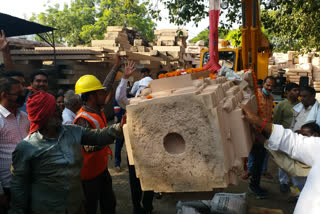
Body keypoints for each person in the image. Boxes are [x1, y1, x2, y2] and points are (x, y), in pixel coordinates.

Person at [9, 91, 124, 214]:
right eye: (55, 108)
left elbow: (98, 136)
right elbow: (19, 186)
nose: (61, 109)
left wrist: (120, 126)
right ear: (45, 115)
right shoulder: (27, 147)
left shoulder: (72, 131)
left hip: (76, 205)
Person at [241, 104, 320, 214]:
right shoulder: (308, 152)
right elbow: (290, 144)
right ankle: (297, 197)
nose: (302, 138)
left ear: (316, 136)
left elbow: (290, 153)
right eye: (300, 134)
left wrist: (259, 124)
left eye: (305, 136)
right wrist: (258, 128)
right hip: (302, 192)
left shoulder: (312, 155)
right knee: (297, 191)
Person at [73, 55, 127, 214]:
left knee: (109, 205)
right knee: (90, 208)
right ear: (91, 97)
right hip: (89, 177)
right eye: (101, 94)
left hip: (101, 169)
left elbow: (106, 86)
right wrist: (114, 133)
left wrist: (116, 66)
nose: (105, 96)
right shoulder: (82, 119)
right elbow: (89, 147)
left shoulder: (96, 109)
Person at [115, 63, 155, 214]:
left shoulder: (156, 104)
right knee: (135, 181)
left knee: (150, 179)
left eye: (146, 90)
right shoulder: (132, 103)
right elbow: (119, 97)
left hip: (152, 150)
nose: (143, 93)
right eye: (141, 90)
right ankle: (137, 206)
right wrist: (124, 77)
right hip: (135, 151)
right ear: (137, 92)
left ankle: (147, 206)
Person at [0, 77, 29, 213]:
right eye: (18, 94)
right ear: (4, 95)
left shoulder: (25, 117)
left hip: (27, 183)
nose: (22, 97)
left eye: (24, 93)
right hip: (7, 187)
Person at [244, 76, 275, 199]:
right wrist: (254, 133)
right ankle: (254, 186)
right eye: (267, 85)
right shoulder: (256, 96)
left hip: (265, 132)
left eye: (272, 86)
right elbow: (250, 115)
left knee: (261, 159)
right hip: (257, 133)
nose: (269, 88)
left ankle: (255, 184)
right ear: (263, 84)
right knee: (257, 160)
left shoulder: (271, 98)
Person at [289, 86, 320, 192]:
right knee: (295, 173)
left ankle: (305, 197)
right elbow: (293, 124)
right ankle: (296, 195)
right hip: (295, 143)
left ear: (313, 96)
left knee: (307, 175)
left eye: (305, 96)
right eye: (301, 96)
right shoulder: (299, 108)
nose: (302, 99)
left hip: (309, 147)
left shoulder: (318, 111)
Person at [273, 83, 300, 193]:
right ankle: (283, 182)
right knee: (283, 161)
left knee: (296, 162)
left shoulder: (301, 105)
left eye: (297, 90)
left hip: (297, 138)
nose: (297, 92)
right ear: (287, 92)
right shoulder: (281, 105)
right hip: (284, 137)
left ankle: (296, 186)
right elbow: (277, 123)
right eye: (294, 90)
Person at [114, 99, 126, 172]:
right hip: (120, 125)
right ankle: (117, 164)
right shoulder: (117, 99)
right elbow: (117, 112)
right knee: (118, 145)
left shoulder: (131, 95)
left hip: (128, 124)